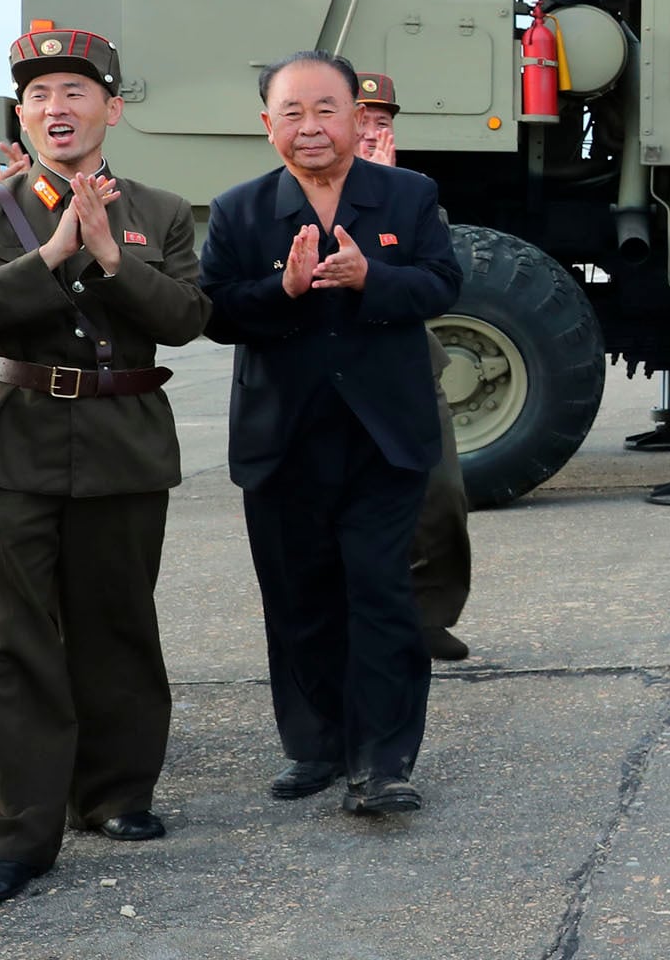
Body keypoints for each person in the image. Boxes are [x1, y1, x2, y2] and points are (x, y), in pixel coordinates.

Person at [200, 52, 461, 817]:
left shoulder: (409, 197)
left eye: (325, 109)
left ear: (355, 117)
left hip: (384, 438)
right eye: (292, 112)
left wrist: (370, 281)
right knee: (299, 595)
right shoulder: (240, 210)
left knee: (380, 595)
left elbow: (443, 283)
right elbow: (215, 312)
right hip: (282, 439)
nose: (309, 127)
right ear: (267, 125)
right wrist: (281, 291)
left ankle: (383, 762)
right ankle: (315, 746)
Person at [0, 29, 208, 903]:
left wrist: (115, 258)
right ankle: (22, 828)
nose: (57, 108)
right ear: (22, 112)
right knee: (16, 644)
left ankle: (117, 793)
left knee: (116, 623)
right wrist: (53, 254)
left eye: (76, 93)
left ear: (111, 109)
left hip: (124, 440)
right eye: (40, 94)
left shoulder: (158, 211)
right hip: (17, 443)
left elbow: (188, 316)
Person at [353, 73, 471, 663]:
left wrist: (390, 187)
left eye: (384, 123)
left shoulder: (416, 195)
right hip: (334, 372)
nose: (374, 133)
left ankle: (429, 617)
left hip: (408, 367)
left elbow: (434, 281)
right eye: (364, 120)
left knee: (441, 497)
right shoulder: (296, 193)